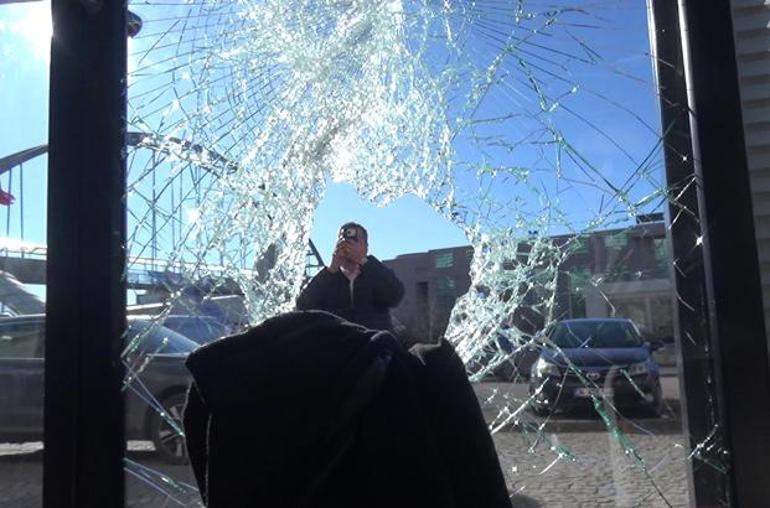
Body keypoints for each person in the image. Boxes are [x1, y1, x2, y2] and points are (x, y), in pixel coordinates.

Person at [296, 222, 405, 331]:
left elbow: (395, 296)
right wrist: (331, 270)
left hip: (373, 339)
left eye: (354, 242)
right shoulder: (327, 278)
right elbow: (303, 306)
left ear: (366, 247)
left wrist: (364, 261)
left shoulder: (376, 272)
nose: (348, 246)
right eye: (343, 242)